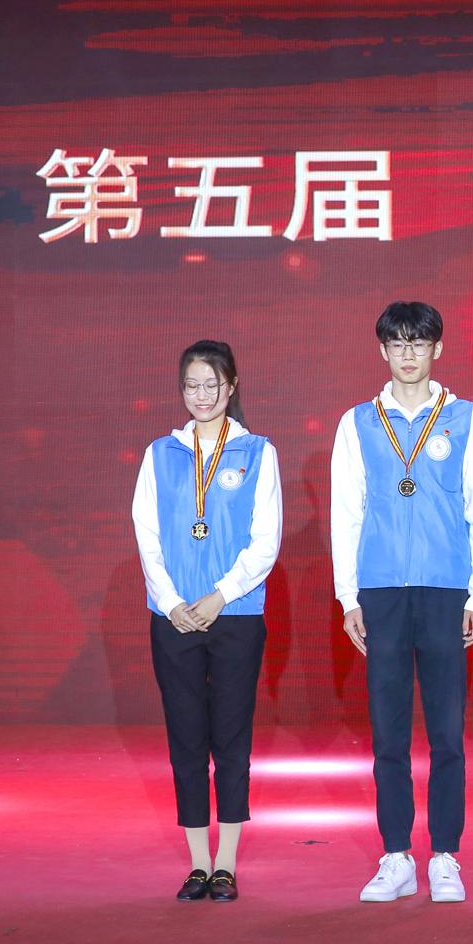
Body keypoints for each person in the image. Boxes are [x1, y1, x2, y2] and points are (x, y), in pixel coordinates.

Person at [331, 301, 473, 904]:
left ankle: (446, 855)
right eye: (398, 344)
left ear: (438, 349)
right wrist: (348, 595)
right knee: (388, 732)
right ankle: (396, 855)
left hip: (445, 589)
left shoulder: (465, 419)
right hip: (380, 590)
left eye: (419, 343)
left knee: (448, 730)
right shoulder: (358, 423)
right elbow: (347, 513)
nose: (408, 355)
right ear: (382, 351)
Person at [132, 340, 282, 902]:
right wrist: (171, 602)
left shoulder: (257, 452)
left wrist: (219, 597)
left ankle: (226, 863)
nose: (201, 395)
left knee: (232, 739)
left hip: (235, 615)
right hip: (173, 619)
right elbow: (147, 535)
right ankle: (197, 863)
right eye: (192, 385)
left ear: (231, 386)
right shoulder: (160, 454)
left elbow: (265, 541)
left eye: (211, 384)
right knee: (186, 738)